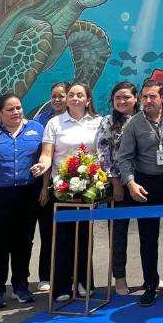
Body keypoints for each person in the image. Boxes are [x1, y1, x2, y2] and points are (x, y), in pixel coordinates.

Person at [118, 79, 163, 307]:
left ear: (162, 97)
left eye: (153, 97)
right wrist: (130, 183)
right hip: (145, 185)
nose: (148, 101)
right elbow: (125, 157)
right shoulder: (134, 124)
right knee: (148, 237)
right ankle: (150, 283)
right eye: (145, 97)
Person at [32, 82, 102, 302]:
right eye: (71, 94)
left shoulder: (99, 123)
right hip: (61, 188)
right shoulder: (54, 123)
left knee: (84, 236)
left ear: (88, 100)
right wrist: (42, 166)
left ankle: (84, 282)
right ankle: (61, 286)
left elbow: (102, 154)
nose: (74, 98)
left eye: (79, 95)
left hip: (88, 188)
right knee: (62, 237)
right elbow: (47, 154)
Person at [0, 94, 44, 309]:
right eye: (10, 109)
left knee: (23, 242)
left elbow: (47, 154)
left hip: (26, 194)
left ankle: (21, 285)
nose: (16, 113)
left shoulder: (36, 129)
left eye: (18, 108)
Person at [95, 81, 139, 296]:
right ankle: (119, 279)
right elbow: (103, 153)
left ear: (136, 98)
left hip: (145, 184)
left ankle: (153, 276)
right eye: (117, 98)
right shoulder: (108, 122)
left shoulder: (144, 119)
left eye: (126, 97)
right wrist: (115, 183)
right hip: (118, 186)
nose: (122, 101)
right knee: (118, 233)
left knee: (149, 233)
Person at [34, 81, 70, 292]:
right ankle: (45, 275)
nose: (57, 99)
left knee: (70, 233)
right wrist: (44, 187)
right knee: (48, 232)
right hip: (48, 185)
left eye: (61, 95)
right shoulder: (42, 121)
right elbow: (44, 156)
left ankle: (71, 274)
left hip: (73, 185)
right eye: (54, 95)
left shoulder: (79, 119)